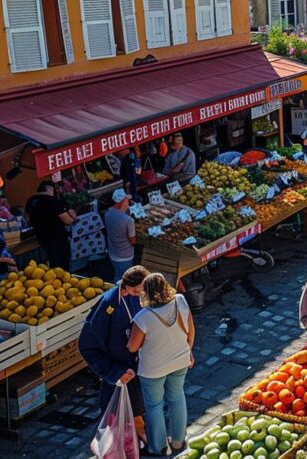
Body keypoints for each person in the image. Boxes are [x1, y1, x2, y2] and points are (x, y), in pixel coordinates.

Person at [79, 265, 149, 447]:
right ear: (130, 288)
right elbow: (88, 346)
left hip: (139, 372)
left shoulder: (139, 297)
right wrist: (114, 372)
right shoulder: (107, 305)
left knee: (140, 418)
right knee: (120, 425)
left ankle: (139, 445)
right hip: (120, 375)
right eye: (142, 288)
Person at [127, 273, 195, 457]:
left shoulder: (143, 317)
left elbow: (132, 347)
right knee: (177, 397)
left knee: (154, 406)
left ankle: (159, 448)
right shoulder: (180, 300)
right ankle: (179, 441)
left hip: (153, 369)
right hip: (180, 361)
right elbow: (191, 331)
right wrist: (188, 350)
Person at [25, 181, 76, 271]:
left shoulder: (30, 201)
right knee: (62, 266)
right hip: (58, 238)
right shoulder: (53, 201)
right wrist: (73, 215)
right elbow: (68, 221)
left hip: (42, 239)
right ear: (49, 189)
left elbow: (27, 219)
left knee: (50, 266)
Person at [105, 189, 137, 282]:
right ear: (122, 201)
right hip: (124, 256)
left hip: (113, 252)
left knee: (118, 274)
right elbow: (133, 241)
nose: (128, 202)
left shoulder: (108, 214)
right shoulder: (128, 220)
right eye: (127, 200)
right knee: (122, 279)